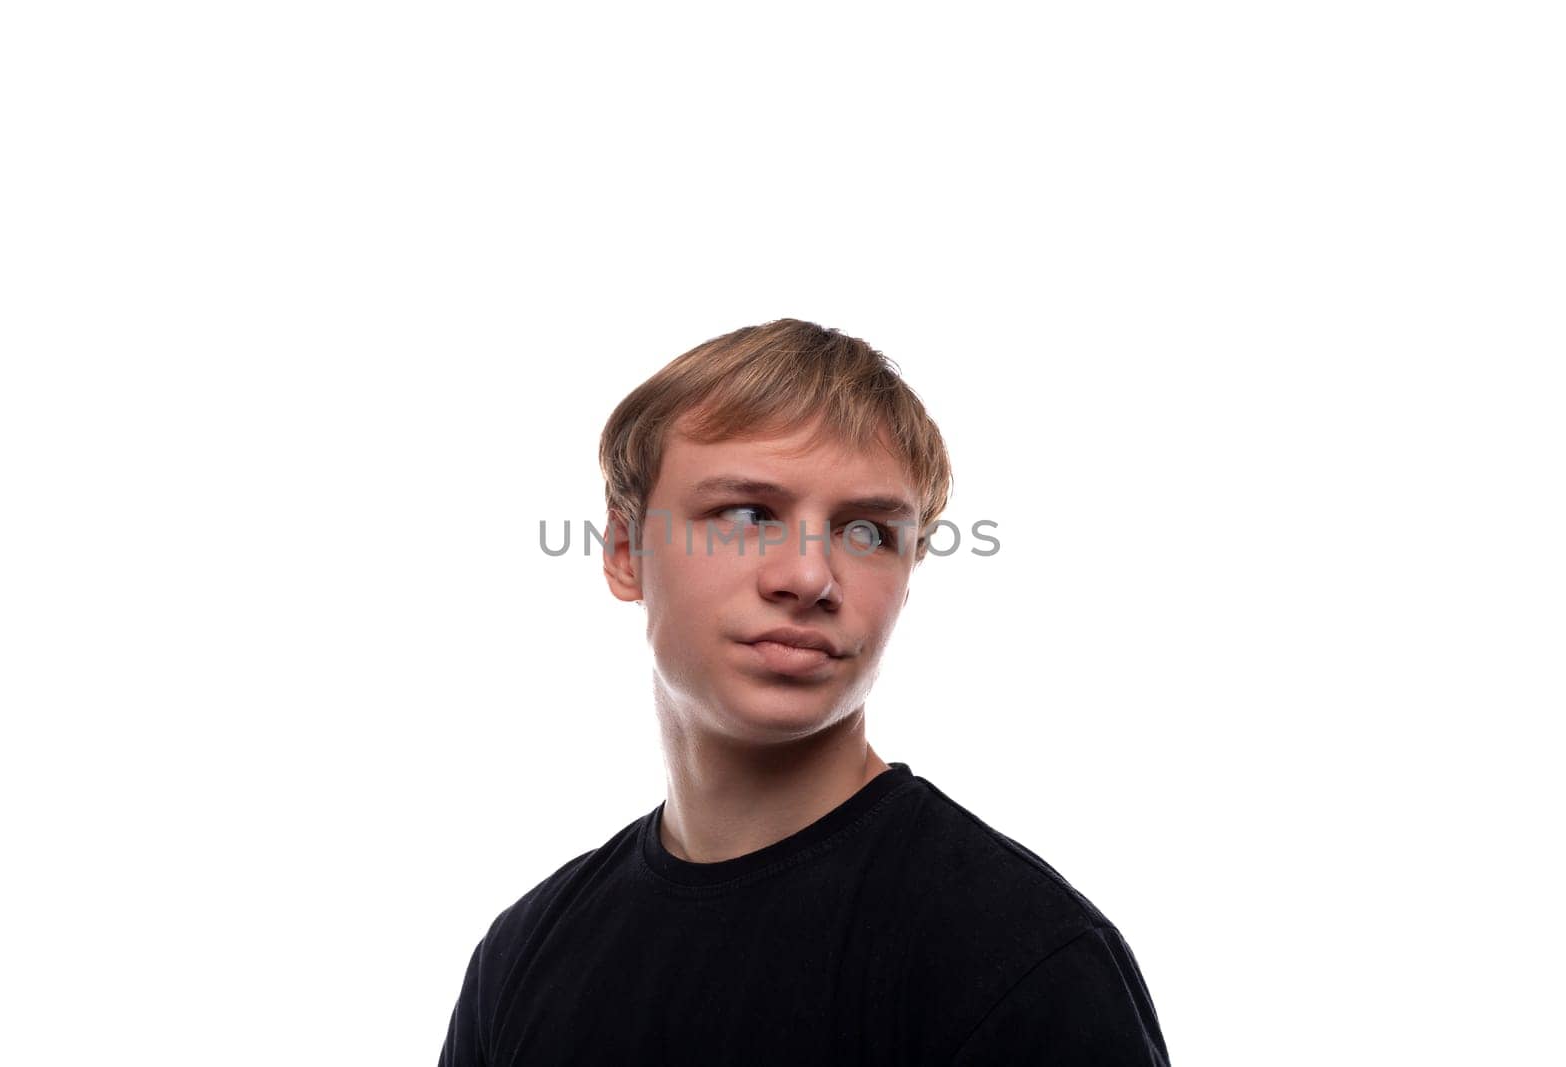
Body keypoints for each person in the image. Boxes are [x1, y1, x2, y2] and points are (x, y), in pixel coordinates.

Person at [437, 319, 1170, 1065]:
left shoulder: (1024, 961)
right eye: (749, 514)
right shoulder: (523, 955)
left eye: (867, 533)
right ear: (627, 551)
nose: (810, 576)